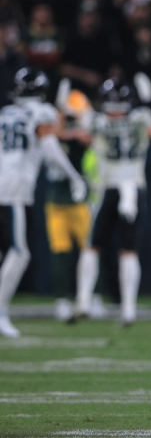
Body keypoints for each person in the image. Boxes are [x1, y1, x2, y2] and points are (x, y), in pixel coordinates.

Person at [0, 67, 86, 337]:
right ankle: (0, 311)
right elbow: (50, 148)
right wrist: (75, 176)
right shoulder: (41, 112)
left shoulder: (5, 114)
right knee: (19, 251)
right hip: (13, 189)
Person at [73, 78, 151, 326]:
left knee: (93, 246)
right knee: (129, 250)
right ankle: (128, 309)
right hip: (133, 187)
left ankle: (83, 300)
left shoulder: (95, 120)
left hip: (108, 188)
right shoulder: (141, 116)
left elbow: (81, 137)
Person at [47, 88, 95, 322]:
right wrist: (62, 117)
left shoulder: (82, 131)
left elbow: (87, 136)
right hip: (56, 200)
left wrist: (71, 124)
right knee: (60, 253)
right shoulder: (53, 130)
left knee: (90, 250)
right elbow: (54, 132)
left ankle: (91, 297)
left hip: (79, 201)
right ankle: (62, 299)